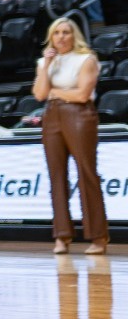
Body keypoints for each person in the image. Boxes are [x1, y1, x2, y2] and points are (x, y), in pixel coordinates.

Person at [33, 18, 106, 255]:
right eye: (57, 33)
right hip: (51, 116)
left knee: (86, 172)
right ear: (51, 37)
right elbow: (39, 94)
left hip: (79, 116)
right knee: (56, 175)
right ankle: (62, 236)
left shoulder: (87, 59)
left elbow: (83, 94)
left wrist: (57, 92)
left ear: (74, 36)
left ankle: (98, 237)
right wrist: (47, 66)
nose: (61, 37)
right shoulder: (45, 62)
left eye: (66, 32)